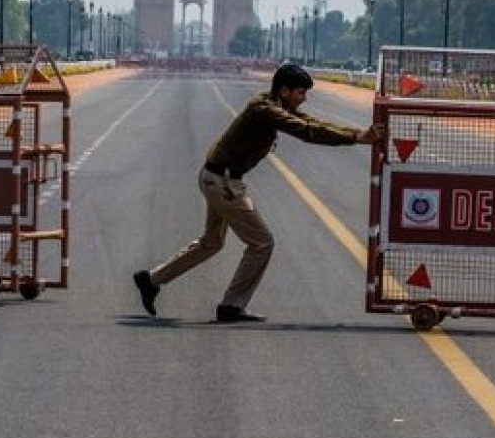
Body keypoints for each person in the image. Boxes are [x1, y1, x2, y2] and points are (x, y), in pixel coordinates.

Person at [133, 63, 382, 323]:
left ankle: (151, 280)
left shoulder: (273, 105)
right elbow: (307, 131)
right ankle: (231, 306)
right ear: (284, 91)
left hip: (218, 179)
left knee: (212, 243)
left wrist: (357, 135)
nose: (304, 98)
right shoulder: (264, 109)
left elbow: (310, 122)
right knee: (262, 243)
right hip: (224, 183)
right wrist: (357, 137)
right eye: (301, 92)